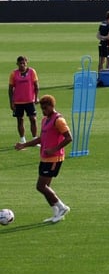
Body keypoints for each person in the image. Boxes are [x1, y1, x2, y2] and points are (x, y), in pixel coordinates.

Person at [14, 94, 72, 223]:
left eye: (46, 108)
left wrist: (54, 149)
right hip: (45, 158)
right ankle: (56, 213)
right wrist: (23, 145)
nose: (44, 111)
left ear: (52, 106)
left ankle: (62, 207)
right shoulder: (45, 120)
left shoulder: (59, 120)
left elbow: (69, 138)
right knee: (46, 188)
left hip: (54, 158)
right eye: (42, 109)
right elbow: (41, 138)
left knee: (41, 186)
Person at [9, 55, 39, 145]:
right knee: (20, 120)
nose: (22, 65)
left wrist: (36, 98)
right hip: (18, 101)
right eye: (20, 63)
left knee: (33, 119)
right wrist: (11, 102)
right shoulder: (13, 74)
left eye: (23, 63)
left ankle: (35, 139)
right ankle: (22, 139)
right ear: (17, 64)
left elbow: (36, 86)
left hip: (30, 101)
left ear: (26, 63)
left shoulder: (32, 72)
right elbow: (10, 89)